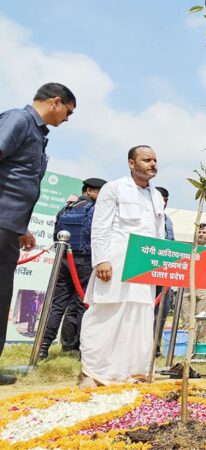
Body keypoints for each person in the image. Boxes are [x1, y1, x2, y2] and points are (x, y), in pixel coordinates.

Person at [0, 82, 76, 385]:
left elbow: (18, 182)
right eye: (68, 112)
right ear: (56, 102)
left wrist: (22, 227)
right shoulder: (19, 120)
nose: (66, 120)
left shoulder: (38, 135)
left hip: (9, 226)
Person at [79, 145, 166, 387]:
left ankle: (134, 371)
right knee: (106, 314)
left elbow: (158, 234)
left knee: (139, 317)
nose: (152, 164)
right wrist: (101, 260)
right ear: (131, 163)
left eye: (155, 160)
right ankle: (93, 372)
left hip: (144, 265)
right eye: (147, 159)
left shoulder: (156, 195)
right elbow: (100, 226)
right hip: (115, 263)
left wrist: (159, 265)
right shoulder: (114, 188)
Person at [39, 177, 106, 359]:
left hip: (64, 260)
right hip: (84, 261)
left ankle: (43, 347)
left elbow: (56, 236)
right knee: (82, 305)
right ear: (90, 191)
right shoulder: (94, 210)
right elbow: (97, 237)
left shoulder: (66, 208)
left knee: (58, 305)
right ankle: (79, 349)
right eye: (100, 192)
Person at [179, 223, 206, 338]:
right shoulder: (189, 249)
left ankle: (196, 343)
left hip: (203, 287)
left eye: (204, 233)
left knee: (201, 317)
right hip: (187, 288)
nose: (201, 234)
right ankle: (184, 345)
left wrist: (203, 266)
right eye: (199, 232)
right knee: (186, 317)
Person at [153, 186, 174, 356]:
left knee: (162, 311)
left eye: (166, 200)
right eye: (161, 199)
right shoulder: (145, 218)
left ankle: (155, 347)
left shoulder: (168, 221)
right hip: (144, 273)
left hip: (164, 275)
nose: (164, 203)